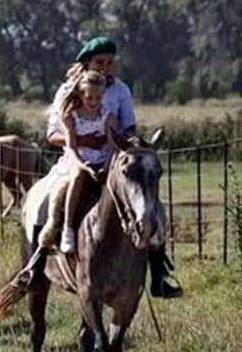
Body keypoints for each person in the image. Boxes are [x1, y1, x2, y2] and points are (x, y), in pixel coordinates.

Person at [45, 36, 180, 298]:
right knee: (50, 199)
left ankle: (158, 272)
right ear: (87, 63)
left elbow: (128, 126)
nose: (106, 67)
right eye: (100, 62)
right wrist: (82, 140)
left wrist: (122, 141)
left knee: (150, 205)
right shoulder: (66, 90)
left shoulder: (121, 90)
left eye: (109, 62)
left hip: (114, 158)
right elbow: (51, 134)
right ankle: (40, 254)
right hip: (75, 159)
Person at [56, 71, 115, 254]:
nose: (94, 102)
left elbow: (112, 146)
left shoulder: (107, 116)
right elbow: (71, 147)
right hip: (79, 160)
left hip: (103, 159)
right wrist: (84, 166)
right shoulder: (71, 117)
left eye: (98, 98)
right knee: (78, 177)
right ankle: (67, 227)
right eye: (90, 97)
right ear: (81, 94)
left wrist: (106, 166)